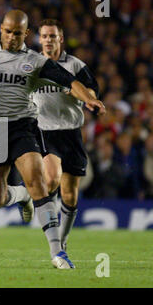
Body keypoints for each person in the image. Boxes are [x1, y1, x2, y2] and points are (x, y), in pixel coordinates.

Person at [0, 10, 106, 269]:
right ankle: (22, 196)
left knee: (38, 179)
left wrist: (89, 99)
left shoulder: (35, 61)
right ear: (0, 29)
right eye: (8, 31)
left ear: (26, 34)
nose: (12, 37)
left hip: (24, 126)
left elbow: (70, 81)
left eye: (17, 33)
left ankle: (58, 252)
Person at [32, 19, 100, 251]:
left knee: (69, 195)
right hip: (44, 132)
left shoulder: (75, 66)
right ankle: (51, 237)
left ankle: (62, 240)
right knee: (51, 178)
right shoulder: (32, 65)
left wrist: (85, 97)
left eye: (53, 36)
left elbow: (92, 90)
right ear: (39, 39)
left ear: (61, 38)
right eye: (44, 36)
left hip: (71, 133)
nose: (48, 40)